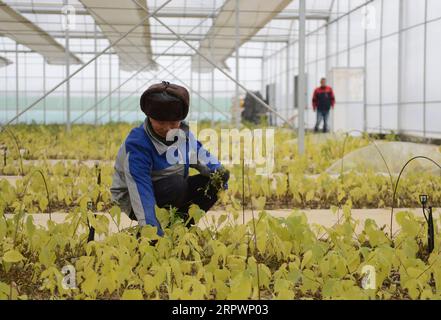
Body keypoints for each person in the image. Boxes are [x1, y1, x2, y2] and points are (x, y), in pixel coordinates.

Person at [110, 81, 229, 236]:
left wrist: (217, 170)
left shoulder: (182, 134)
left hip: (170, 190)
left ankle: (178, 228)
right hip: (134, 199)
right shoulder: (138, 144)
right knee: (176, 185)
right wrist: (152, 233)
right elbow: (140, 190)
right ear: (149, 117)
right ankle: (154, 230)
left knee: (213, 181)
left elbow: (199, 154)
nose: (167, 128)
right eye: (160, 122)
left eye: (173, 123)